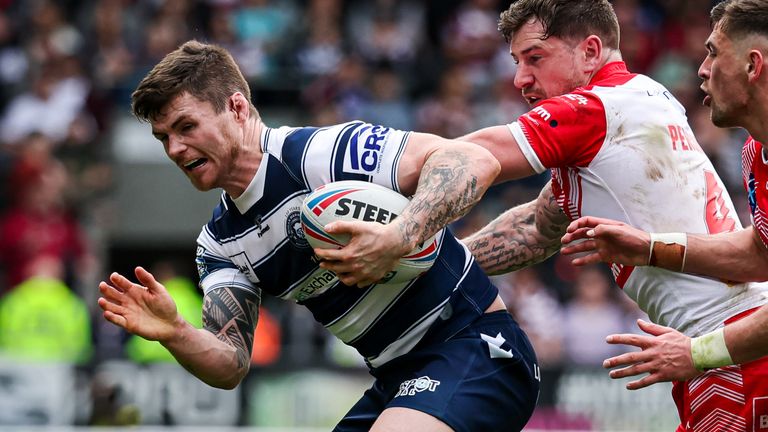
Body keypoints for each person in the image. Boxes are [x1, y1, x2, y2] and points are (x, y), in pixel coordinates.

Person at [96, 40, 540, 432]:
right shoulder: (221, 245)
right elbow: (230, 363)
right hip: (398, 379)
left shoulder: (319, 155)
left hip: (476, 347)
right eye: (164, 138)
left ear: (236, 107)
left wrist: (399, 237)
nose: (175, 149)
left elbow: (473, 159)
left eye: (186, 127)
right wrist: (174, 331)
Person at [381, 0, 768, 430]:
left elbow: (474, 157)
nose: (520, 78)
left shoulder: (593, 110)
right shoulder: (643, 98)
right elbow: (535, 228)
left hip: (730, 355)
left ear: (589, 52)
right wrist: (422, 263)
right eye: (516, 62)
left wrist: (393, 232)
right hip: (721, 347)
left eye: (535, 58)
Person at [559, 0, 768, 391]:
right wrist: (650, 248)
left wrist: (695, 354)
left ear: (752, 65)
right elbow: (761, 253)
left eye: (713, 53)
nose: (702, 70)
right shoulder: (755, 152)